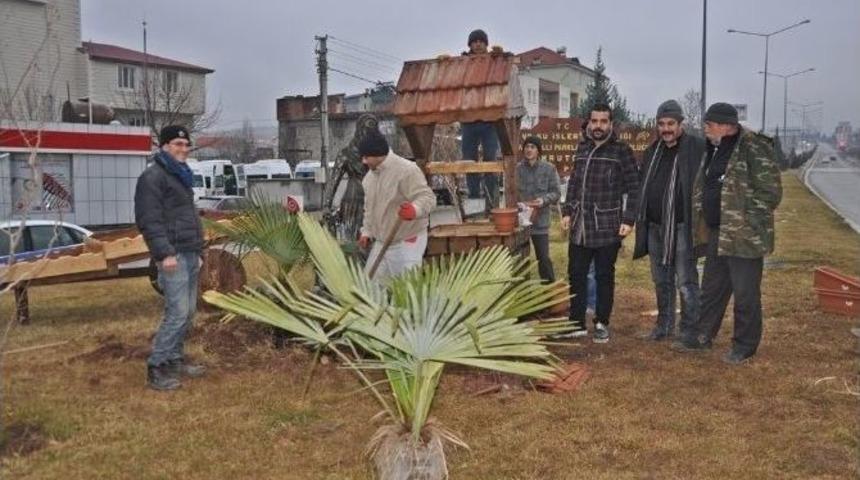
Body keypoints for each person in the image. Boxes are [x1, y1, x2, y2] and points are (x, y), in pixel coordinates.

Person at [679, 103, 782, 364]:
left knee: (745, 292)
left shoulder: (753, 146)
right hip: (718, 232)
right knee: (712, 287)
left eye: (709, 124)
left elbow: (769, 192)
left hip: (744, 237)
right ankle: (702, 335)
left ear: (726, 126)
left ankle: (744, 345)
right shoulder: (714, 149)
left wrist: (745, 222)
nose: (705, 129)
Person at [560, 104, 640, 342]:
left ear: (611, 124)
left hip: (607, 226)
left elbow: (635, 188)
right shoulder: (582, 148)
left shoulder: (621, 151)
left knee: (604, 276)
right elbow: (573, 182)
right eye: (594, 121)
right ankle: (576, 323)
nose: (598, 126)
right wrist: (566, 211)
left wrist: (629, 219)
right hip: (579, 227)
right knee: (576, 274)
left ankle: (602, 323)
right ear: (589, 122)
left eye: (603, 121)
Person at [135, 125, 206, 391]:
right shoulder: (152, 177)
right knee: (176, 313)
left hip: (188, 252)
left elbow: (187, 218)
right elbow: (149, 220)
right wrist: (164, 254)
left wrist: (198, 251)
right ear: (164, 146)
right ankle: (157, 366)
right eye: (178, 144)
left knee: (187, 312)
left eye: (186, 145)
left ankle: (175, 360)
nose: (183, 149)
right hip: (172, 255)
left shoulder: (180, 176)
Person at [633, 100, 705, 342]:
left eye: (671, 124)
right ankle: (663, 326)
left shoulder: (696, 147)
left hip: (682, 227)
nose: (666, 129)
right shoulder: (653, 151)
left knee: (685, 280)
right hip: (654, 227)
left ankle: (690, 330)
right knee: (661, 279)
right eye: (661, 124)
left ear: (680, 124)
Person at [358, 131, 436, 282]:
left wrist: (415, 209)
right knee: (369, 289)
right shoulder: (369, 179)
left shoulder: (407, 170)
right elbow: (369, 210)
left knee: (407, 292)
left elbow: (428, 198)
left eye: (366, 157)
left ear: (377, 154)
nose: (364, 161)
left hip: (407, 242)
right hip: (381, 243)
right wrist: (366, 231)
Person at [460, 28, 500, 207]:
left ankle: (491, 202)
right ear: (470, 45)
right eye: (474, 41)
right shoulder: (463, 62)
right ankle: (474, 201)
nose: (477, 44)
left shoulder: (493, 61)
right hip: (468, 119)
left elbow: (505, 63)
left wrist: (500, 54)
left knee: (491, 161)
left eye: (481, 41)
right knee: (469, 161)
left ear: (486, 44)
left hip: (489, 120)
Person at [516, 135, 561, 283]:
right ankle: (523, 293)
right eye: (527, 147)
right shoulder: (517, 169)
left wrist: (543, 200)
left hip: (540, 223)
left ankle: (548, 292)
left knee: (543, 258)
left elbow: (556, 193)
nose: (529, 150)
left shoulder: (549, 169)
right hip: (521, 223)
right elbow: (512, 192)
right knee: (520, 260)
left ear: (538, 151)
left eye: (532, 147)